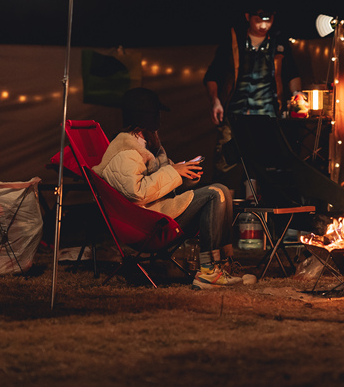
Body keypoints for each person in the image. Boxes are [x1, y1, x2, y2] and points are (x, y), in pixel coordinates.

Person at [93, 87, 253, 289]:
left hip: (160, 211)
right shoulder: (126, 153)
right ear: (148, 119)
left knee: (221, 190)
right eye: (157, 115)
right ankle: (208, 271)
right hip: (149, 224)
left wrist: (185, 175)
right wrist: (174, 172)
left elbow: (164, 180)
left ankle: (224, 265)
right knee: (215, 193)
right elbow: (137, 193)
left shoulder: (147, 147)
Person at [204, 6, 301, 200]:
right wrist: (215, 101)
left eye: (269, 20)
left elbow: (292, 73)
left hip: (266, 114)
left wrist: (297, 95)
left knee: (263, 164)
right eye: (259, 20)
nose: (264, 25)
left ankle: (256, 211)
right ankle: (224, 211)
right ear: (248, 16)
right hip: (234, 113)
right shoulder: (233, 40)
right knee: (227, 162)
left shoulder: (278, 42)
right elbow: (213, 75)